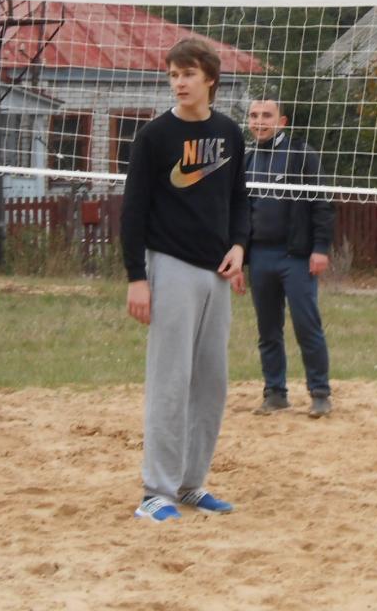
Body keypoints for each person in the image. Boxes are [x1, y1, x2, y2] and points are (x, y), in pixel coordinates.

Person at [121, 38, 250, 522]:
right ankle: (156, 490)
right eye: (174, 74)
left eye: (188, 74)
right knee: (170, 381)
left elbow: (239, 200)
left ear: (209, 79)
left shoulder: (229, 133)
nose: (179, 82)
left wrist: (240, 247)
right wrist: (137, 276)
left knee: (210, 382)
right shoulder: (155, 137)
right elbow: (132, 211)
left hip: (217, 272)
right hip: (169, 265)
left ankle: (191, 483)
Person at [244, 98, 335, 418]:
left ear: (281, 121)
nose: (259, 121)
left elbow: (321, 203)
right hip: (260, 255)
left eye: (266, 116)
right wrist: (239, 259)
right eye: (254, 116)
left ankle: (320, 392)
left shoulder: (300, 154)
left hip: (295, 255)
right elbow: (240, 213)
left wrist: (320, 248)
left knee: (306, 325)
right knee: (268, 329)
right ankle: (275, 392)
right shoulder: (248, 159)